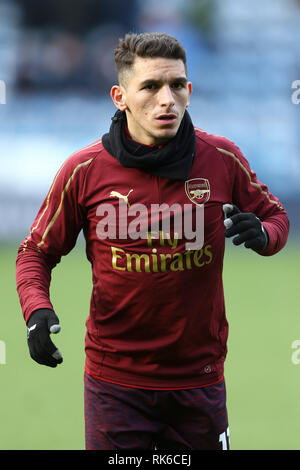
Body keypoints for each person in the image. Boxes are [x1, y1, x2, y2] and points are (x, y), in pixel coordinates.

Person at [16, 32, 289, 451]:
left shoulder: (222, 157)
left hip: (199, 383)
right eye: (150, 86)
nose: (167, 99)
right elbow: (36, 251)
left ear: (189, 91)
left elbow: (276, 217)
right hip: (114, 385)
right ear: (119, 96)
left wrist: (264, 234)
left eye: (177, 85)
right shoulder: (84, 170)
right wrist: (36, 310)